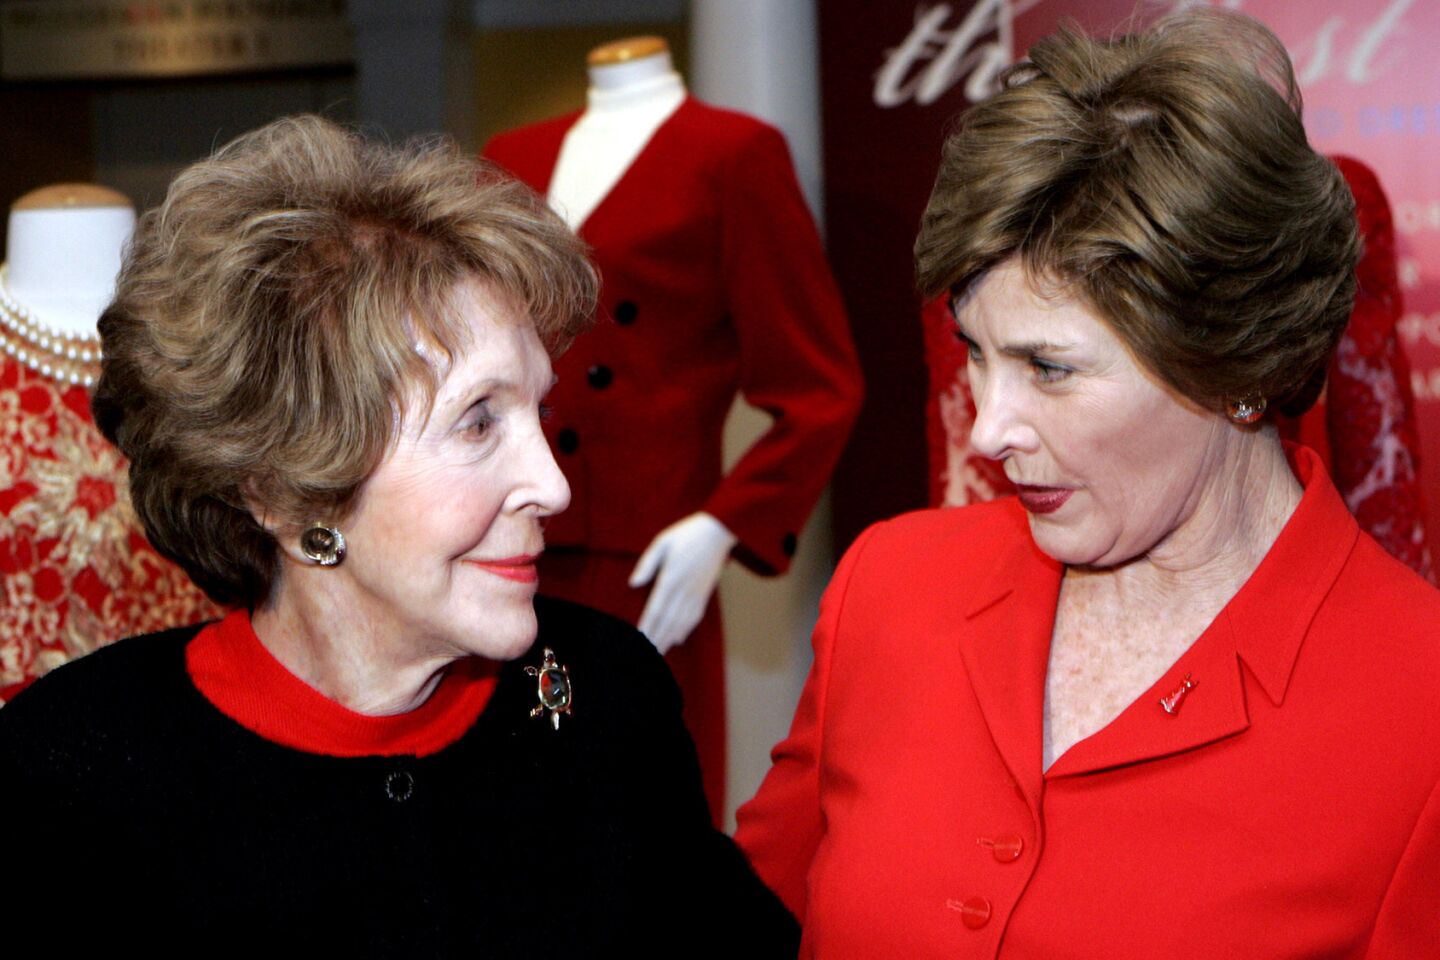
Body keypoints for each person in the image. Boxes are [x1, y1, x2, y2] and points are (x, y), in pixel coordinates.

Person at [0, 115, 796, 956]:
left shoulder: (604, 697)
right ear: (283, 490)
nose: (553, 486)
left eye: (541, 409)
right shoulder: (72, 772)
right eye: (478, 422)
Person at [735, 10, 1440, 958]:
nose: (987, 428)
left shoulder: (1417, 713)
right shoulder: (889, 591)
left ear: (1233, 362)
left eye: (1050, 369)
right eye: (976, 355)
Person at [484, 36, 863, 822]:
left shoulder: (734, 155)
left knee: (643, 812)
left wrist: (722, 526)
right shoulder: (508, 158)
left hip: (652, 558)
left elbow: (820, 385)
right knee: (508, 807)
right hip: (505, 539)